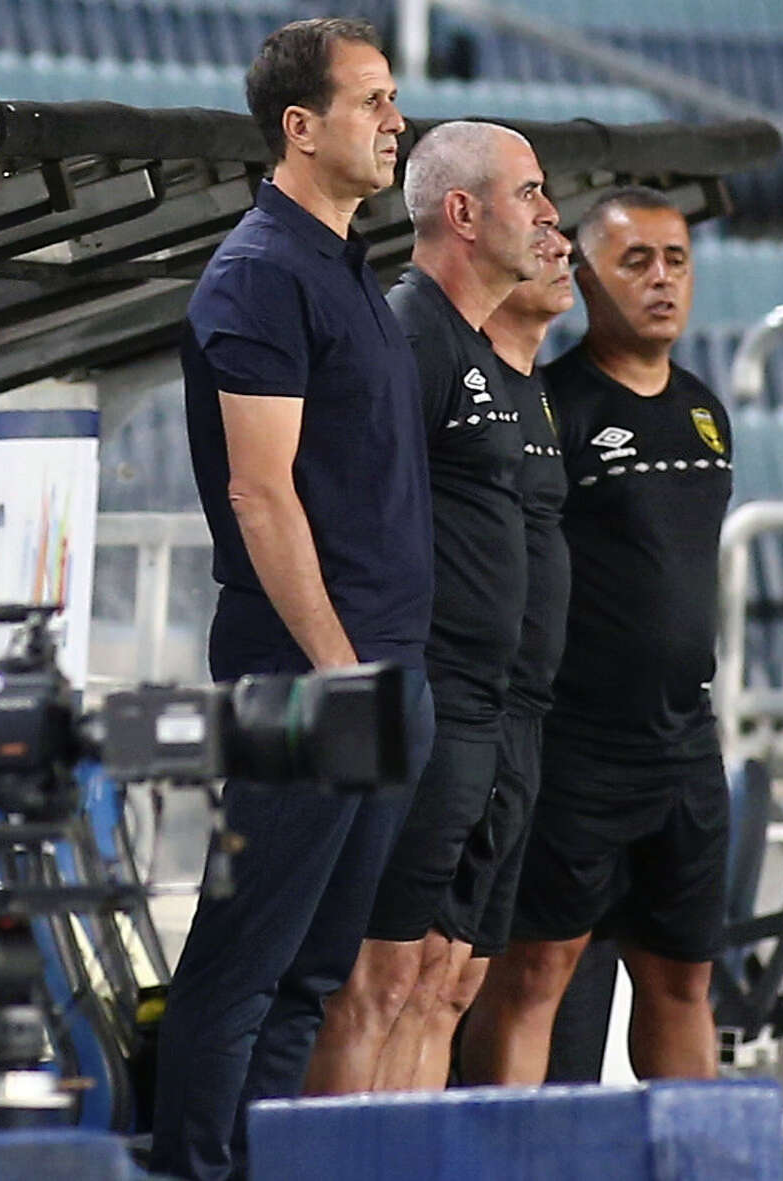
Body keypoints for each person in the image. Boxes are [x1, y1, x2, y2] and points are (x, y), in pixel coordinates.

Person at [150, 20, 435, 1180]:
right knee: (244, 963)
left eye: (393, 97)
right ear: (300, 127)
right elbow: (259, 494)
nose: (395, 121)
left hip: (379, 668)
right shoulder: (263, 271)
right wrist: (339, 670)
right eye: (371, 100)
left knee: (313, 972)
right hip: (312, 673)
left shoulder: (343, 262)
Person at [304, 120, 558, 1094]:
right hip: (428, 703)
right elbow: (333, 503)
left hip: (489, 711)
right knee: (374, 981)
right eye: (528, 192)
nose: (547, 214)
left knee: (436, 977)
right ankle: (328, 1160)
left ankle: (402, 1154)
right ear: (464, 212)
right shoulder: (410, 333)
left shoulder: (478, 350)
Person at [464, 186, 733, 1084]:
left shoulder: (705, 411)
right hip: (578, 747)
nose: (662, 280)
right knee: (535, 973)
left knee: (684, 980)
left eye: (676, 260)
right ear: (584, 275)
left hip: (684, 744)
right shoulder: (556, 407)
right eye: (636, 261)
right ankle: (505, 1147)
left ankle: (688, 1148)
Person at [447, 227, 574, 1083]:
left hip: (524, 717)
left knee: (460, 978)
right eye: (539, 228)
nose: (559, 248)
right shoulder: (461, 378)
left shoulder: (537, 392)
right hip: (467, 710)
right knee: (407, 976)